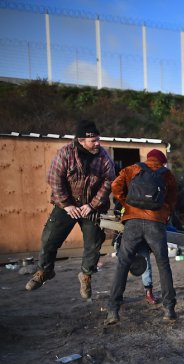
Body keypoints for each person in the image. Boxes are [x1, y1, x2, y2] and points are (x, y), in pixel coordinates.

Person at [25, 120, 116, 299]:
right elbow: (55, 179)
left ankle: (86, 275)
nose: (98, 143)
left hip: (91, 206)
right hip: (66, 204)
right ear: (81, 140)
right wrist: (67, 205)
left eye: (98, 139)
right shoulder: (65, 153)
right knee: (49, 237)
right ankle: (44, 271)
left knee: (94, 242)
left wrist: (91, 205)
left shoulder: (103, 157)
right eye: (93, 141)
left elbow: (108, 182)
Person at [106, 149, 178, 324]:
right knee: (163, 264)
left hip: (133, 222)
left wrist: (127, 203)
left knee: (123, 264)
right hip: (156, 223)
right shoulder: (166, 174)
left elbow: (115, 186)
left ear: (148, 158)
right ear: (162, 161)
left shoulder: (132, 169)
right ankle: (169, 309)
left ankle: (113, 310)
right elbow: (172, 199)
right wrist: (164, 213)